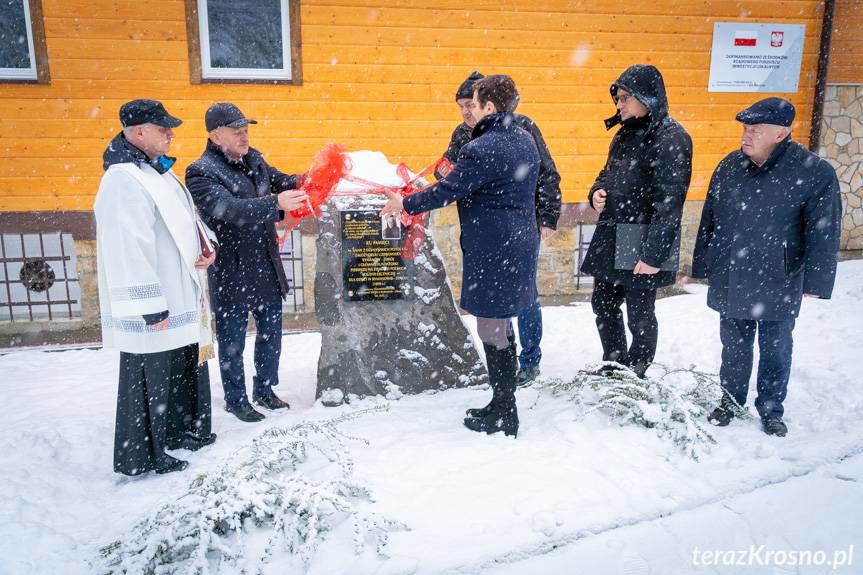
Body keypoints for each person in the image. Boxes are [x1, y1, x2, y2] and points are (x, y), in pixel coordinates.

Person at [382, 74, 539, 437]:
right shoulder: (524, 140)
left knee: (491, 325)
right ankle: (503, 403)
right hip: (518, 242)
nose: (472, 107)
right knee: (501, 322)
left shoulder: (484, 147)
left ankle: (505, 412)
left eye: (476, 100)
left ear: (490, 106)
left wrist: (403, 203)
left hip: (493, 248)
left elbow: (448, 190)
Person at [692, 98, 841, 437]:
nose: (746, 136)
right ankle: (730, 401)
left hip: (779, 275)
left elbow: (824, 229)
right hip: (732, 272)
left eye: (755, 130)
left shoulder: (813, 171)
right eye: (745, 129)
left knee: (775, 347)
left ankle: (772, 409)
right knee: (734, 346)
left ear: (781, 133)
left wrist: (817, 279)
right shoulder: (729, 166)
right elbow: (710, 219)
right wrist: (704, 262)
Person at [95, 99, 217, 476]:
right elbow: (126, 244)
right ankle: (144, 454)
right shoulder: (121, 178)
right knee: (150, 374)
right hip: (156, 299)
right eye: (162, 127)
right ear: (137, 132)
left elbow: (185, 217)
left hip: (181, 289)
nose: (171, 133)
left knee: (179, 366)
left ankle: (177, 432)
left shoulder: (158, 172)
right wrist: (150, 304)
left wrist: (205, 244)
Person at [186, 103, 309, 423]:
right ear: (215, 136)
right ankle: (236, 399)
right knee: (232, 341)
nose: (244, 135)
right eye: (236, 130)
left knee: (271, 333)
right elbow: (229, 209)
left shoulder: (253, 158)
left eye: (246, 129)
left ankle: (265, 389)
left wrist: (309, 178)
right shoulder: (200, 171)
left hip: (265, 263)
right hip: (232, 268)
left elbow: (283, 181)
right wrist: (275, 204)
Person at [437, 70, 561, 386]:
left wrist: (547, 216)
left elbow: (548, 173)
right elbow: (449, 175)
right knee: (494, 302)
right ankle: (506, 360)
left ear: (487, 106)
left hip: (520, 225)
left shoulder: (522, 127)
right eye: (460, 106)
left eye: (470, 104)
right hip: (484, 231)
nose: (466, 112)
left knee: (525, 294)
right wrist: (441, 174)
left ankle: (530, 360)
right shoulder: (462, 134)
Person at [580, 64, 692, 379]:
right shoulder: (623, 134)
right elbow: (606, 174)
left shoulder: (672, 138)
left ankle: (637, 372)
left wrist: (653, 254)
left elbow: (670, 203)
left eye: (625, 98)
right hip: (614, 229)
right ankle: (615, 364)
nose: (619, 105)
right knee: (603, 303)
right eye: (617, 98)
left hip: (643, 237)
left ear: (647, 98)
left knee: (640, 313)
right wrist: (596, 193)